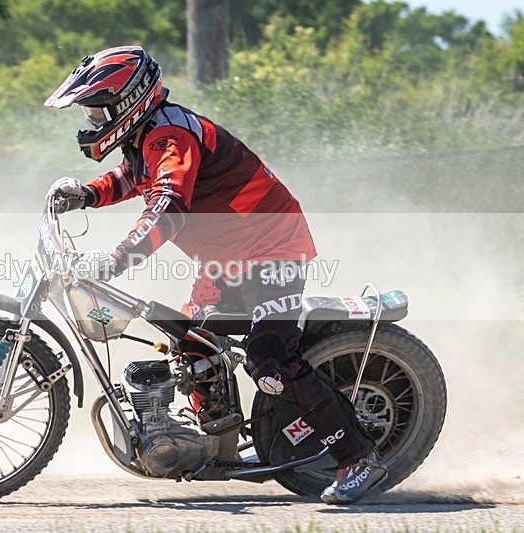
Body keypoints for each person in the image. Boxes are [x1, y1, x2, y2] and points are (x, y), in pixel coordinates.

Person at [44, 45, 386, 504]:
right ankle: (214, 444)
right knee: (187, 339)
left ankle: (357, 457)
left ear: (128, 102)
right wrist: (85, 194)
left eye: (97, 108)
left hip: (271, 250)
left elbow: (167, 207)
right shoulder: (150, 134)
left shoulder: (171, 136)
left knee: (270, 362)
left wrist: (118, 256)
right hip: (227, 259)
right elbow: (132, 178)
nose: (91, 120)